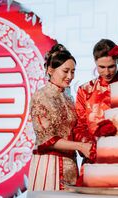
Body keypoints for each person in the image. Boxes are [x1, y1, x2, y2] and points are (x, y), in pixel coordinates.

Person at [27, 44, 92, 191]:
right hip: (49, 164)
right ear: (50, 70)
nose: (70, 76)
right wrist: (80, 146)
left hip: (70, 163)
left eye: (73, 72)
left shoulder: (68, 97)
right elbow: (46, 138)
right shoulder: (41, 96)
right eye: (65, 71)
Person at [74, 39, 118, 144]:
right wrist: (90, 147)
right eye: (102, 67)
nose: (107, 72)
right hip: (94, 153)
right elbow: (80, 126)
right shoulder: (85, 90)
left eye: (111, 67)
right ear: (95, 62)